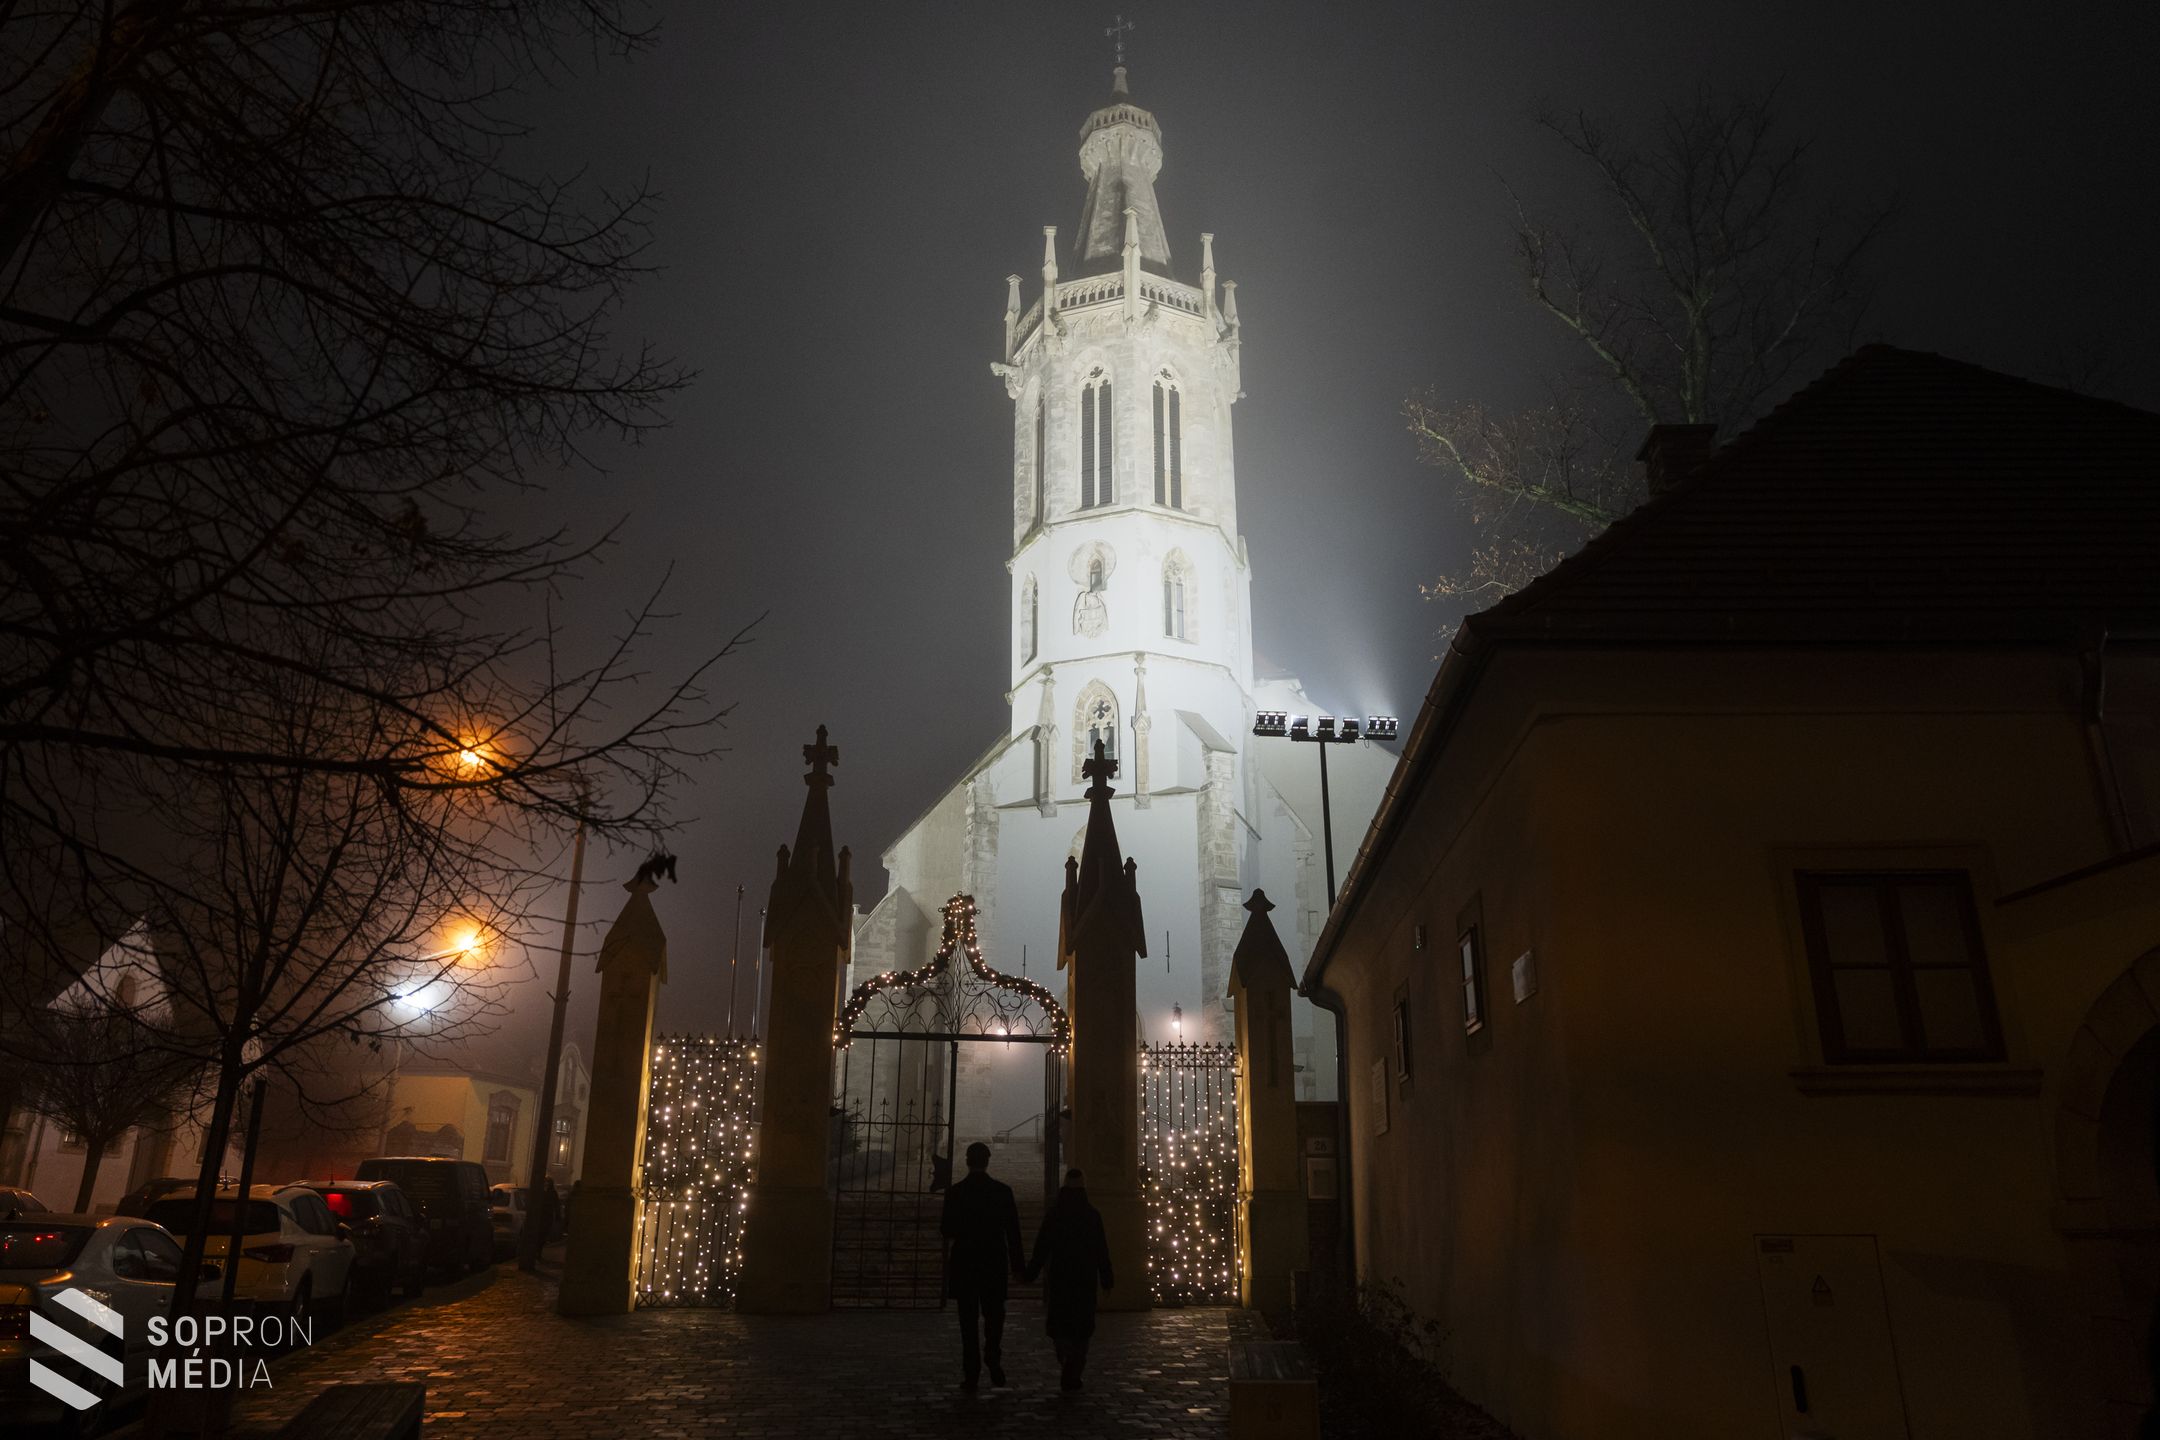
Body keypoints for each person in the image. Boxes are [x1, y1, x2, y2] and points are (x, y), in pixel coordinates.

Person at [939, 1141, 1023, 1391]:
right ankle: (993, 1353)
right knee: (995, 1315)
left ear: (967, 1161)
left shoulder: (955, 1193)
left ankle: (971, 1372)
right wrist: (1019, 1267)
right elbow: (1014, 1232)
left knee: (967, 1321)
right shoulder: (1002, 1192)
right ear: (987, 1161)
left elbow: (946, 1230)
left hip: (965, 1264)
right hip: (993, 1263)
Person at [1025, 1167, 1115, 1391]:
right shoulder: (1092, 1214)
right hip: (1084, 1276)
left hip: (1061, 1275)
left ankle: (1066, 1357)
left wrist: (1031, 1272)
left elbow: (1042, 1246)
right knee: (1082, 1326)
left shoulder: (1055, 1213)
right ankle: (1074, 1366)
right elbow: (1101, 1249)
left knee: (1061, 1323)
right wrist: (1106, 1277)